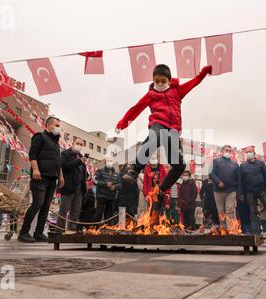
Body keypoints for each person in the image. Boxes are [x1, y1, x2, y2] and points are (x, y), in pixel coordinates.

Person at [115, 64, 212, 207]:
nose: (159, 84)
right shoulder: (151, 95)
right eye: (157, 81)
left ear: (169, 80)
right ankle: (135, 169)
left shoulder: (177, 91)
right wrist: (122, 123)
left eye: (163, 81)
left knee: (179, 166)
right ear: (153, 80)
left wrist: (203, 73)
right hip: (158, 124)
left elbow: (194, 82)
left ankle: (161, 189)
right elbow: (136, 109)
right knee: (156, 136)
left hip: (173, 132)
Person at [18, 116, 64, 243]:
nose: (58, 128)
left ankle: (38, 233)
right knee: (37, 204)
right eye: (56, 125)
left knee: (45, 206)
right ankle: (23, 233)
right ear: (48, 126)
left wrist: (60, 176)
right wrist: (36, 169)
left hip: (52, 178)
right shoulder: (40, 136)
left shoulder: (56, 143)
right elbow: (32, 154)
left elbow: (58, 161)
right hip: (40, 177)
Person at [240, 147, 266, 236]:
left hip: (262, 190)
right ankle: (256, 232)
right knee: (253, 211)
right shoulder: (243, 165)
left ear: (254, 153)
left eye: (250, 152)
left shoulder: (260, 163)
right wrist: (240, 192)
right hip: (249, 191)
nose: (248, 153)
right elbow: (240, 180)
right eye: (247, 152)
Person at [57, 138, 87, 233]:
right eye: (77, 143)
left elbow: (82, 172)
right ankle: (59, 230)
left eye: (81, 144)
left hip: (79, 188)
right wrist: (79, 161)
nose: (79, 145)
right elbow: (64, 166)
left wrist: (87, 176)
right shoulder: (65, 154)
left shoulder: (81, 156)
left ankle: (72, 230)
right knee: (64, 210)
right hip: (68, 186)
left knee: (76, 211)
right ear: (73, 143)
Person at [209, 145, 242, 230]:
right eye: (226, 150)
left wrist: (239, 192)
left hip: (231, 191)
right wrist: (218, 181)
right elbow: (211, 173)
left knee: (230, 211)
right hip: (218, 191)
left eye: (230, 151)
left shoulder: (235, 164)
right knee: (221, 212)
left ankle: (230, 230)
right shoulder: (215, 161)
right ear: (222, 151)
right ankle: (224, 230)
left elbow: (238, 178)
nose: (228, 152)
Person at [93, 157, 122, 226]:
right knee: (99, 213)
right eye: (108, 161)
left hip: (111, 197)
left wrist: (114, 187)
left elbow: (120, 185)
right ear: (105, 162)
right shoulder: (100, 171)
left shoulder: (116, 174)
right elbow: (95, 181)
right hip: (101, 196)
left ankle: (107, 228)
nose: (110, 162)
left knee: (109, 215)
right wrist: (106, 184)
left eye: (111, 161)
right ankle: (94, 228)